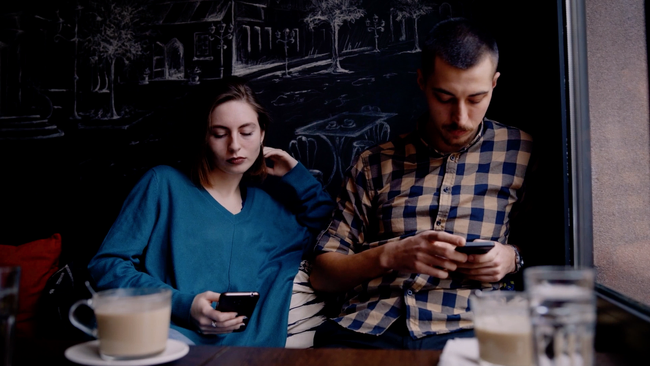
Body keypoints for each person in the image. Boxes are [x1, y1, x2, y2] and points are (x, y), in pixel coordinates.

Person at [309, 18, 533, 350]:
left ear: (494, 85)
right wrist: (391, 255)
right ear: (422, 82)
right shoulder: (374, 162)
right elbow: (322, 275)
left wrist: (512, 258)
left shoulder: (522, 151)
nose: (460, 117)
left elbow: (557, 251)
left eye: (476, 98)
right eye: (444, 97)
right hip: (369, 329)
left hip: (473, 327)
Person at [88, 76, 334, 347]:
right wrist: (185, 305)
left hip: (249, 351)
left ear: (262, 134)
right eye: (220, 133)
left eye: (247, 132)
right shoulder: (164, 185)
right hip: (171, 338)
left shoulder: (268, 210)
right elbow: (106, 265)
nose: (235, 146)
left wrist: (297, 175)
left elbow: (331, 232)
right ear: (204, 137)